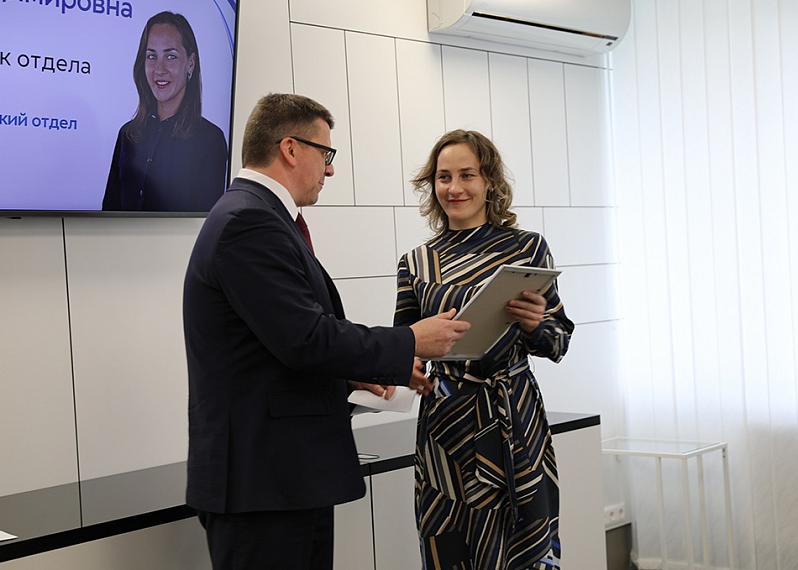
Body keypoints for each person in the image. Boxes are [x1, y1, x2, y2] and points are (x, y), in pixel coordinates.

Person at [182, 93, 471, 570]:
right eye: (326, 153)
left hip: (285, 481)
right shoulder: (248, 221)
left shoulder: (259, 216)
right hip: (264, 485)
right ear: (291, 149)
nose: (330, 169)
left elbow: (280, 344)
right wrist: (411, 340)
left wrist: (354, 375)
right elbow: (307, 339)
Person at [394, 130, 575, 570]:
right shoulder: (415, 262)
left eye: (467, 175)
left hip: (514, 413)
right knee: (450, 543)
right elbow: (403, 342)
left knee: (523, 546)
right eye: (443, 177)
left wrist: (535, 325)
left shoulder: (526, 248)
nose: (454, 188)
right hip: (446, 425)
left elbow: (559, 340)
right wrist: (408, 367)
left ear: (489, 181)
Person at [102, 11, 227, 212]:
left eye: (170, 56)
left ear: (190, 63)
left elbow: (206, 223)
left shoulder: (210, 140)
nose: (159, 69)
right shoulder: (128, 134)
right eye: (152, 56)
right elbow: (109, 211)